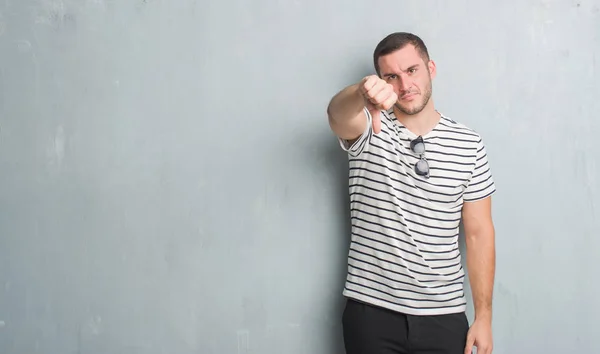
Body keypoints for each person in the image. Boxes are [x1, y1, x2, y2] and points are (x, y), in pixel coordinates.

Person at [326, 32, 496, 354]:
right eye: (391, 77)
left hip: (444, 317)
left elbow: (478, 233)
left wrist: (484, 317)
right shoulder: (369, 127)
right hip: (372, 311)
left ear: (430, 68)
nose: (404, 86)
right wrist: (360, 94)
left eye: (412, 71)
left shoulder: (469, 144)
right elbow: (336, 115)